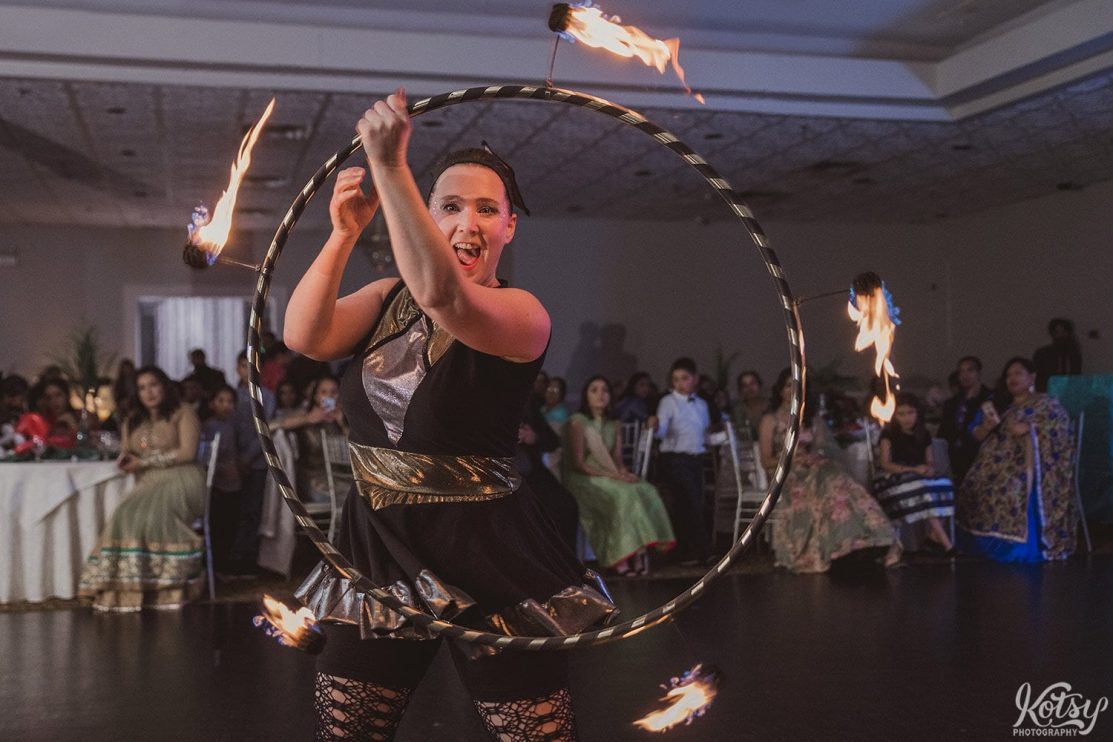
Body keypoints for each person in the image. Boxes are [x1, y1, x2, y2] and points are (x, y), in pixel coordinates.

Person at [283, 89, 616, 740]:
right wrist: (345, 233)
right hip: (378, 540)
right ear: (426, 217)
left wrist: (391, 166)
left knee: (535, 734)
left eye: (487, 209)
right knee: (348, 730)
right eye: (451, 206)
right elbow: (304, 336)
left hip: (486, 546)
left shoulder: (523, 314)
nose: (468, 221)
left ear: (508, 227)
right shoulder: (386, 296)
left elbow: (443, 295)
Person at [78, 366, 205, 610]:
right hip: (149, 480)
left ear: (164, 386)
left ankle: (168, 587)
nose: (149, 392)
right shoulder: (133, 419)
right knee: (123, 515)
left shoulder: (183, 412)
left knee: (152, 515)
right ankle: (128, 588)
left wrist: (145, 461)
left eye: (154, 385)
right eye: (142, 388)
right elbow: (128, 451)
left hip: (182, 476)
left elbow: (188, 453)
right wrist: (126, 458)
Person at [759, 369, 900, 573]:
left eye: (799, 386)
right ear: (780, 390)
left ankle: (862, 540)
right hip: (785, 472)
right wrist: (793, 459)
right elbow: (766, 460)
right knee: (826, 479)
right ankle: (834, 547)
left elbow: (820, 448)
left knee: (838, 481)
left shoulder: (810, 419)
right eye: (789, 385)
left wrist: (812, 458)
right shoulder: (770, 420)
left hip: (814, 468)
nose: (793, 390)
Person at [956, 357, 1077, 562]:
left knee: (1010, 486)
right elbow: (974, 434)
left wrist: (1031, 430)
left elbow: (1061, 431)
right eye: (1009, 375)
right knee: (974, 485)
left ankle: (1017, 547)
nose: (1012, 378)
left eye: (1018, 373)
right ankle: (977, 544)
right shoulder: (999, 404)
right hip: (993, 465)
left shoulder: (1046, 404)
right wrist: (987, 426)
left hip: (1029, 467)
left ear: (1032, 377)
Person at [562, 376, 675, 576]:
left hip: (609, 475)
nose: (600, 394)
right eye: (594, 390)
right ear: (586, 396)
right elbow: (578, 464)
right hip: (583, 479)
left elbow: (617, 460)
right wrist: (614, 476)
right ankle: (620, 556)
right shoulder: (577, 422)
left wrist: (625, 473)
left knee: (645, 489)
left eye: (605, 390)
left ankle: (638, 552)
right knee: (624, 495)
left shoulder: (614, 423)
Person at [648, 357, 713, 566]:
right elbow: (662, 432)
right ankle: (695, 551)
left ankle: (697, 550)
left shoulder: (702, 404)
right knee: (688, 502)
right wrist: (656, 426)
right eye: (675, 379)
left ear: (695, 379)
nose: (680, 383)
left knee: (696, 502)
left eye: (684, 378)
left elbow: (704, 435)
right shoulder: (668, 402)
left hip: (696, 459)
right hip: (674, 459)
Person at [872, 392, 955, 554]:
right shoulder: (888, 434)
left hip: (918, 475)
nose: (907, 418)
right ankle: (947, 545)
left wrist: (929, 468)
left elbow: (929, 459)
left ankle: (933, 537)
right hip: (892, 478)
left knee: (946, 487)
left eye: (911, 413)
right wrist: (913, 469)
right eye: (901, 414)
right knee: (923, 489)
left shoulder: (923, 434)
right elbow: (885, 463)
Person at [228, 350, 276, 577]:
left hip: (257, 462)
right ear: (238, 369)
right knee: (236, 510)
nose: (248, 370)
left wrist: (247, 459)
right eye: (244, 366)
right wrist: (235, 459)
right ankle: (233, 556)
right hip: (232, 463)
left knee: (254, 510)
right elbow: (230, 430)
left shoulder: (268, 396)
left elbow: (265, 430)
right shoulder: (232, 396)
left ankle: (249, 556)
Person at [201, 384, 242, 574]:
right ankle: (218, 567)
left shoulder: (231, 425)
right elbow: (208, 458)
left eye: (230, 401)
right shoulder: (210, 427)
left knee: (230, 524)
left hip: (232, 483)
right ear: (212, 404)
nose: (226, 405)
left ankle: (225, 565)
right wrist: (223, 469)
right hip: (218, 485)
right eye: (221, 401)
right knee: (220, 525)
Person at [938, 356, 994, 485]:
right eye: (961, 372)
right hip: (955, 457)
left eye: (970, 370)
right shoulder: (952, 403)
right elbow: (944, 432)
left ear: (978, 373)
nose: (965, 375)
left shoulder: (990, 398)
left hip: (980, 456)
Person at [1033, 318, 1082, 392]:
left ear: (1069, 333)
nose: (1060, 335)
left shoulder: (1074, 355)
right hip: (1046, 393)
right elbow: (1038, 377)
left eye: (1063, 332)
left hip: (1069, 393)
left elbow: (1076, 377)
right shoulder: (1042, 353)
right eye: (1057, 332)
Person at [28, 377, 79, 447]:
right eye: (49, 397)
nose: (54, 401)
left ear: (67, 396)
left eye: (58, 395)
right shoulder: (42, 421)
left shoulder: (80, 416)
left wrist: (74, 427)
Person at [731, 370, 765, 439]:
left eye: (752, 383)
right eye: (745, 385)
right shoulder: (738, 409)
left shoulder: (771, 405)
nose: (750, 388)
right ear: (741, 390)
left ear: (759, 385)